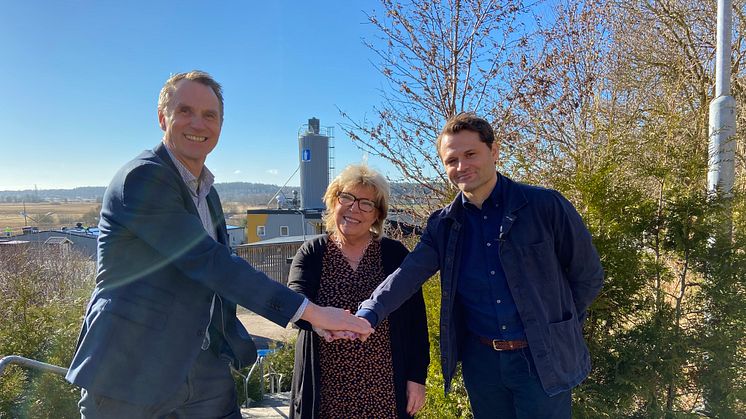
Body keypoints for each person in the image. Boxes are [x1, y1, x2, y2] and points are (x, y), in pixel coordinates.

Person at [65, 70, 372, 418]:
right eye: (185, 111)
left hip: (204, 369)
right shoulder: (143, 178)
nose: (198, 123)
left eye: (209, 115)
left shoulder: (207, 192)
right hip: (131, 371)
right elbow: (210, 263)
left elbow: (219, 274)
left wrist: (308, 322)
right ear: (163, 117)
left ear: (220, 126)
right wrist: (312, 312)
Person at [357, 113, 604, 418]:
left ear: (494, 151)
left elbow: (588, 275)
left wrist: (556, 326)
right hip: (482, 364)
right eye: (451, 160)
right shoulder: (444, 225)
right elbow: (408, 274)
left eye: (470, 154)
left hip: (541, 359)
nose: (462, 166)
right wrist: (369, 313)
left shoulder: (545, 206)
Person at [287, 164, 429, 418]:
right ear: (334, 201)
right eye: (347, 198)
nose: (354, 209)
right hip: (326, 391)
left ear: (377, 214)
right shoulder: (312, 253)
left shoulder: (394, 254)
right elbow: (295, 299)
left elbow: (417, 323)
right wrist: (316, 322)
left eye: (366, 203)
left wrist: (417, 378)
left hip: (384, 388)